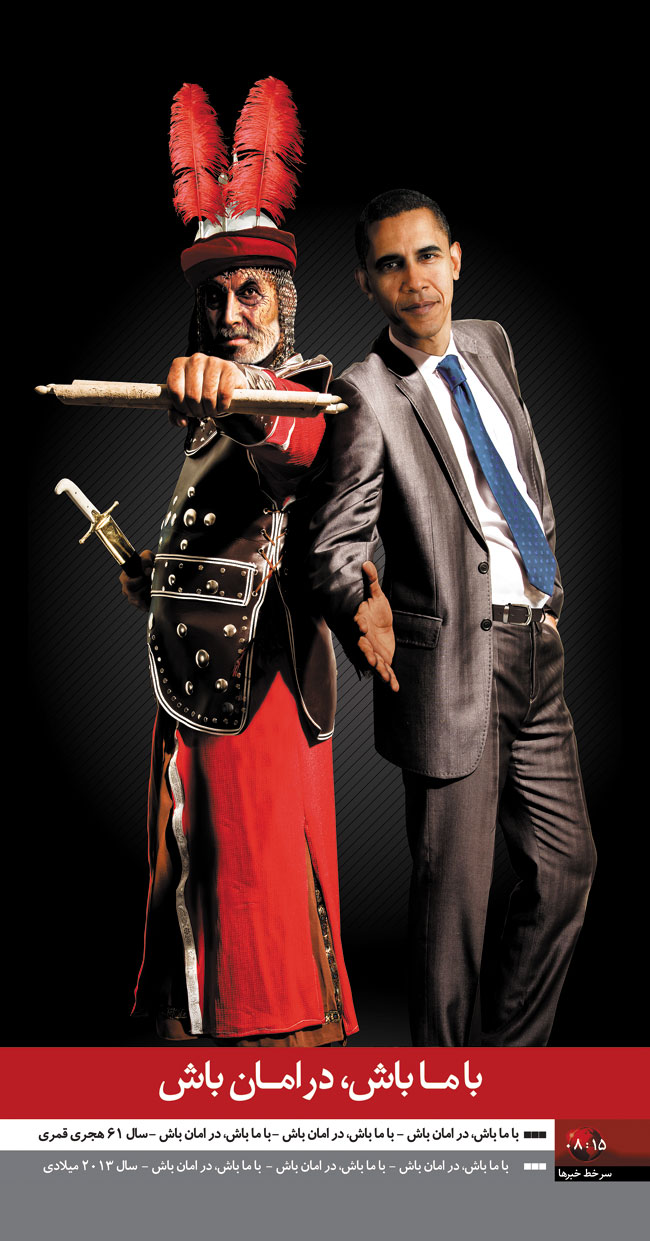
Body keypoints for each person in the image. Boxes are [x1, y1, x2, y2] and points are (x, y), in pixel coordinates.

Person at [308, 188, 596, 1047]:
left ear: (456, 258)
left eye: (428, 256)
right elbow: (333, 545)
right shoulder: (365, 394)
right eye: (391, 264)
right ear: (366, 282)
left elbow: (522, 478)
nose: (416, 279)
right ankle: (446, 1104)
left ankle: (503, 1078)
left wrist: (546, 595)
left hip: (535, 653)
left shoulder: (490, 342)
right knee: (452, 914)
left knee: (567, 869)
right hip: (448, 676)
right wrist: (359, 604)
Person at [121, 80, 357, 1047]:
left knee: (259, 891)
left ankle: (277, 1077)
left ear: (283, 304)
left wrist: (240, 391)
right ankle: (199, 1070)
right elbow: (230, 537)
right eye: (214, 298)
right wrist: (157, 574)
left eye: (249, 292)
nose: (228, 312)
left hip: (258, 685)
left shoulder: (302, 394)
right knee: (194, 870)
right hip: (189, 677)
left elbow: (288, 448)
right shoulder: (210, 410)